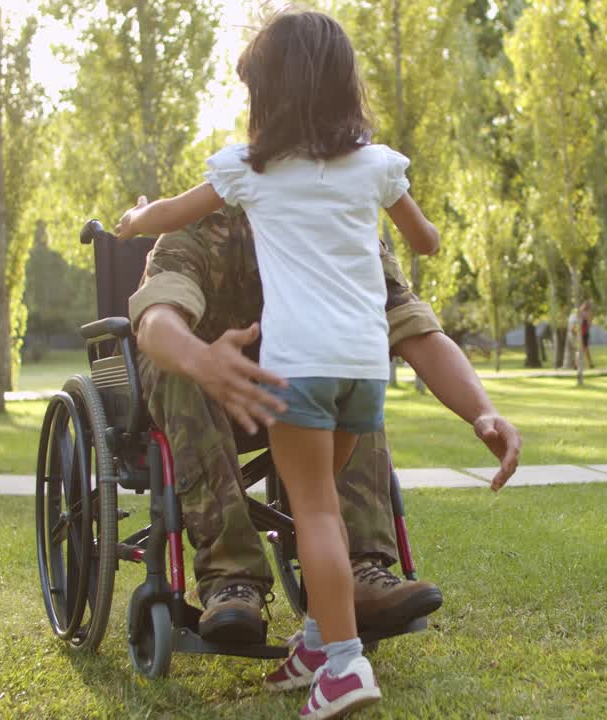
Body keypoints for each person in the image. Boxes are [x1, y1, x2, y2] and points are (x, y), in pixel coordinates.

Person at [118, 11, 511, 718]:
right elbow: (157, 320)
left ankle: (357, 576)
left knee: (352, 356)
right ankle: (233, 578)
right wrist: (205, 360)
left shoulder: (345, 220)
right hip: (212, 397)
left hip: (304, 389)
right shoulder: (216, 215)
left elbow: (414, 328)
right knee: (191, 367)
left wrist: (481, 408)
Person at [579, 301, 595, 369]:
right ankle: (589, 364)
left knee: (584, 349)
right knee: (583, 349)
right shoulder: (584, 313)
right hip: (581, 333)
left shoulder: (585, 313)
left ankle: (589, 363)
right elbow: (589, 324)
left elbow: (589, 324)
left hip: (583, 333)